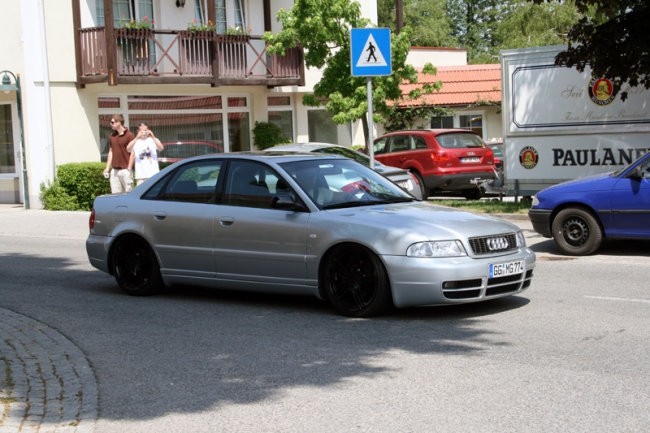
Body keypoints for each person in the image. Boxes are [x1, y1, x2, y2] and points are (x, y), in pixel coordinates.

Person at [103, 114, 135, 193]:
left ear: (119, 123)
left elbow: (133, 153)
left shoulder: (129, 135)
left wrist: (129, 168)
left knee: (129, 194)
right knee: (115, 195)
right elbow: (111, 152)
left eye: (112, 122)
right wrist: (107, 168)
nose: (111, 124)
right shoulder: (112, 136)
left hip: (126, 170)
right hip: (114, 171)